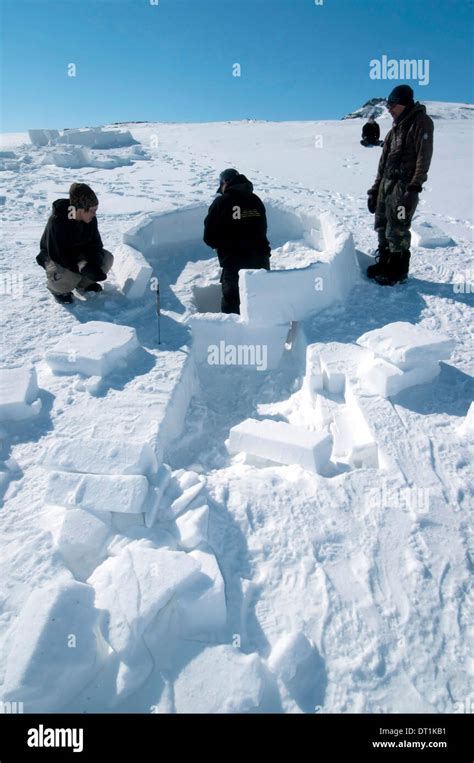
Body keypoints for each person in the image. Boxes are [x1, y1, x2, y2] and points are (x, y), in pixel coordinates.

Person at [366, 85, 434, 285]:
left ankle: (398, 269)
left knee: (398, 226)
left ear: (404, 103)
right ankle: (385, 262)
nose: (389, 108)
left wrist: (414, 188)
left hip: (404, 186)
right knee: (382, 224)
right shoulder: (394, 129)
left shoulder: (421, 123)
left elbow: (424, 157)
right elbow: (383, 163)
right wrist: (374, 189)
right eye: (388, 104)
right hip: (386, 184)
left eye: (393, 104)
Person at [203, 169, 271, 314]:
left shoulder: (221, 202)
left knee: (233, 304)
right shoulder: (255, 200)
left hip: (234, 263)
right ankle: (266, 335)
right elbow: (262, 228)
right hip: (260, 259)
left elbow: (209, 237)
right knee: (261, 303)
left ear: (225, 182)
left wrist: (223, 245)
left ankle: (231, 336)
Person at [37, 182, 114, 304]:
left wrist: (95, 264)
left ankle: (84, 284)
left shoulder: (90, 219)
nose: (95, 214)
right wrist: (82, 266)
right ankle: (57, 289)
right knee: (70, 275)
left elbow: (96, 245)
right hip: (55, 258)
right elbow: (59, 255)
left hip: (79, 256)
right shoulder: (58, 221)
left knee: (107, 258)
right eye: (93, 210)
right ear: (81, 209)